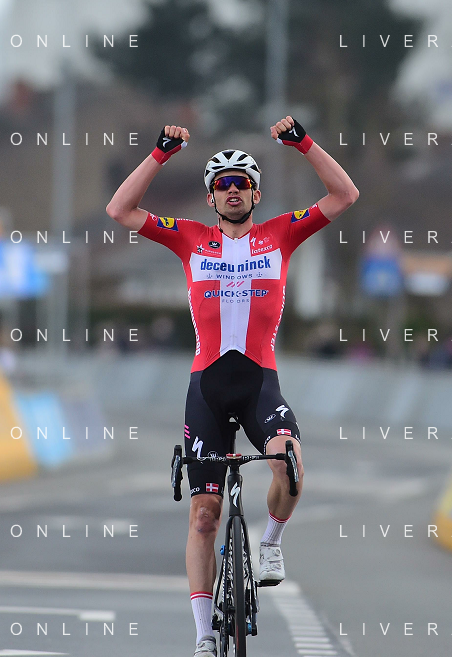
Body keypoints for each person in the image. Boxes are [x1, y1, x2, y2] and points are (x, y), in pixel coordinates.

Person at [106, 116, 358, 657]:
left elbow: (344, 195)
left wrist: (303, 143)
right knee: (204, 517)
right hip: (207, 388)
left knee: (290, 464)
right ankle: (203, 634)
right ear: (211, 197)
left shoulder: (281, 233)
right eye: (222, 184)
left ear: (256, 194)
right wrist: (160, 154)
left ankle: (270, 543)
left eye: (242, 182)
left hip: (259, 382)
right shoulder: (190, 238)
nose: (233, 190)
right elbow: (120, 210)